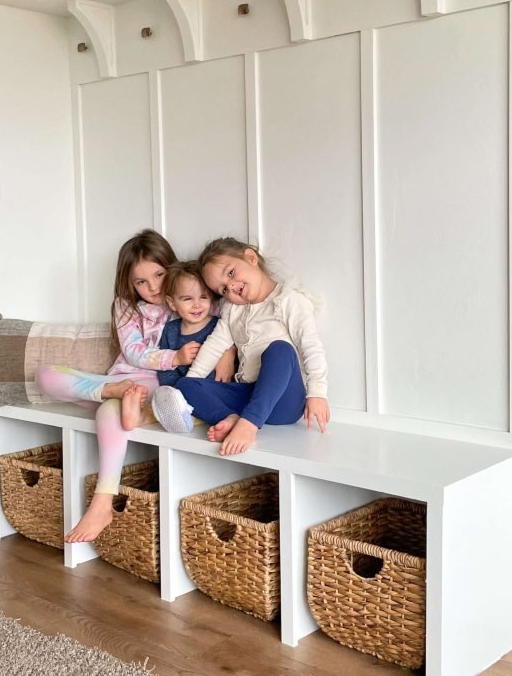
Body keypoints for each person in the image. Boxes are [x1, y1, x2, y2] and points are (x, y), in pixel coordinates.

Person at [36, 230, 232, 543]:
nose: (153, 287)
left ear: (170, 268)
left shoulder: (187, 298)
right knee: (45, 375)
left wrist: (228, 352)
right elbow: (132, 351)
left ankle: (102, 503)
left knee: (109, 414)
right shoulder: (126, 306)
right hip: (120, 381)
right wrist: (173, 356)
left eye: (159, 275)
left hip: (157, 384)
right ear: (130, 284)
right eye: (142, 281)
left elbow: (229, 322)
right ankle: (115, 395)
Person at [152, 237, 330, 455]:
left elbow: (310, 345)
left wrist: (317, 393)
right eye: (223, 290)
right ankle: (231, 419)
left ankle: (248, 425)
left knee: (280, 350)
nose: (231, 287)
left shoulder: (288, 300)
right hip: (248, 397)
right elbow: (215, 345)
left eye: (230, 273)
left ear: (251, 258)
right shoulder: (232, 310)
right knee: (184, 384)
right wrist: (194, 380)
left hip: (284, 402)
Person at [156, 261, 220, 394]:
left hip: (215, 389)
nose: (197, 305)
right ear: (172, 303)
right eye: (187, 299)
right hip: (181, 392)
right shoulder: (170, 330)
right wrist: (173, 390)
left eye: (203, 297)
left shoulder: (218, 326)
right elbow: (165, 370)